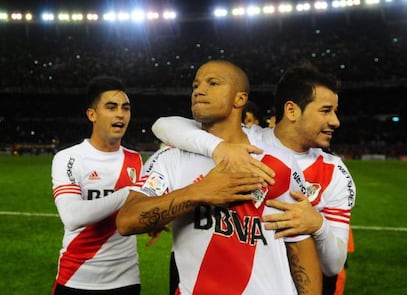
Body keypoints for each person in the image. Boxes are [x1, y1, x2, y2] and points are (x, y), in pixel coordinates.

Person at [116, 60, 322, 294]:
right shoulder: (169, 159)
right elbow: (127, 220)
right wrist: (199, 192)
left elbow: (299, 245)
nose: (199, 90)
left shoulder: (280, 162)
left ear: (240, 99)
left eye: (213, 83)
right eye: (195, 85)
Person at [151, 62, 357, 285]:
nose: (335, 122)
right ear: (291, 111)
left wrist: (318, 225)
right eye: (326, 111)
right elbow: (164, 125)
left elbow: (334, 265)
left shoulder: (335, 172)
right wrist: (217, 147)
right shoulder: (250, 140)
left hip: (303, 279)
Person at [51, 76, 144, 294]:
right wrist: (130, 193)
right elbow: (73, 217)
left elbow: (137, 209)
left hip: (126, 278)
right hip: (77, 277)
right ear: (92, 114)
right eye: (111, 107)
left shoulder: (136, 160)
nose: (120, 114)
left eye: (125, 108)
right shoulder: (69, 158)